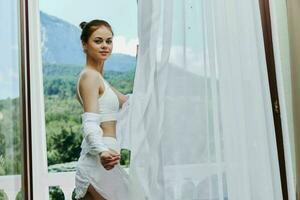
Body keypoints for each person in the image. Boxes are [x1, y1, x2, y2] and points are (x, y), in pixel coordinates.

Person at [74, 19, 129, 200]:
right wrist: (102, 151)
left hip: (108, 162)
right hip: (98, 162)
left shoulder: (100, 79)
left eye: (109, 41)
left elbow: (130, 104)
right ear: (84, 44)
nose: (105, 46)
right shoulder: (89, 77)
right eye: (98, 41)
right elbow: (90, 123)